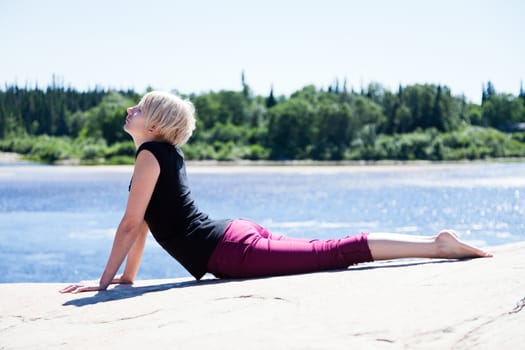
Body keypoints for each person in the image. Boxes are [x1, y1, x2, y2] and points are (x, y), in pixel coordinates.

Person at [60, 91, 492, 294]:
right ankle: (435, 243)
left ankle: (437, 245)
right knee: (325, 251)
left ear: (152, 124)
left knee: (332, 253)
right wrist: (126, 278)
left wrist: (100, 286)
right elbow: (143, 224)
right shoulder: (161, 154)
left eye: (137, 108)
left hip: (230, 250)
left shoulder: (150, 156)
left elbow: (132, 223)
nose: (127, 110)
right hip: (231, 237)